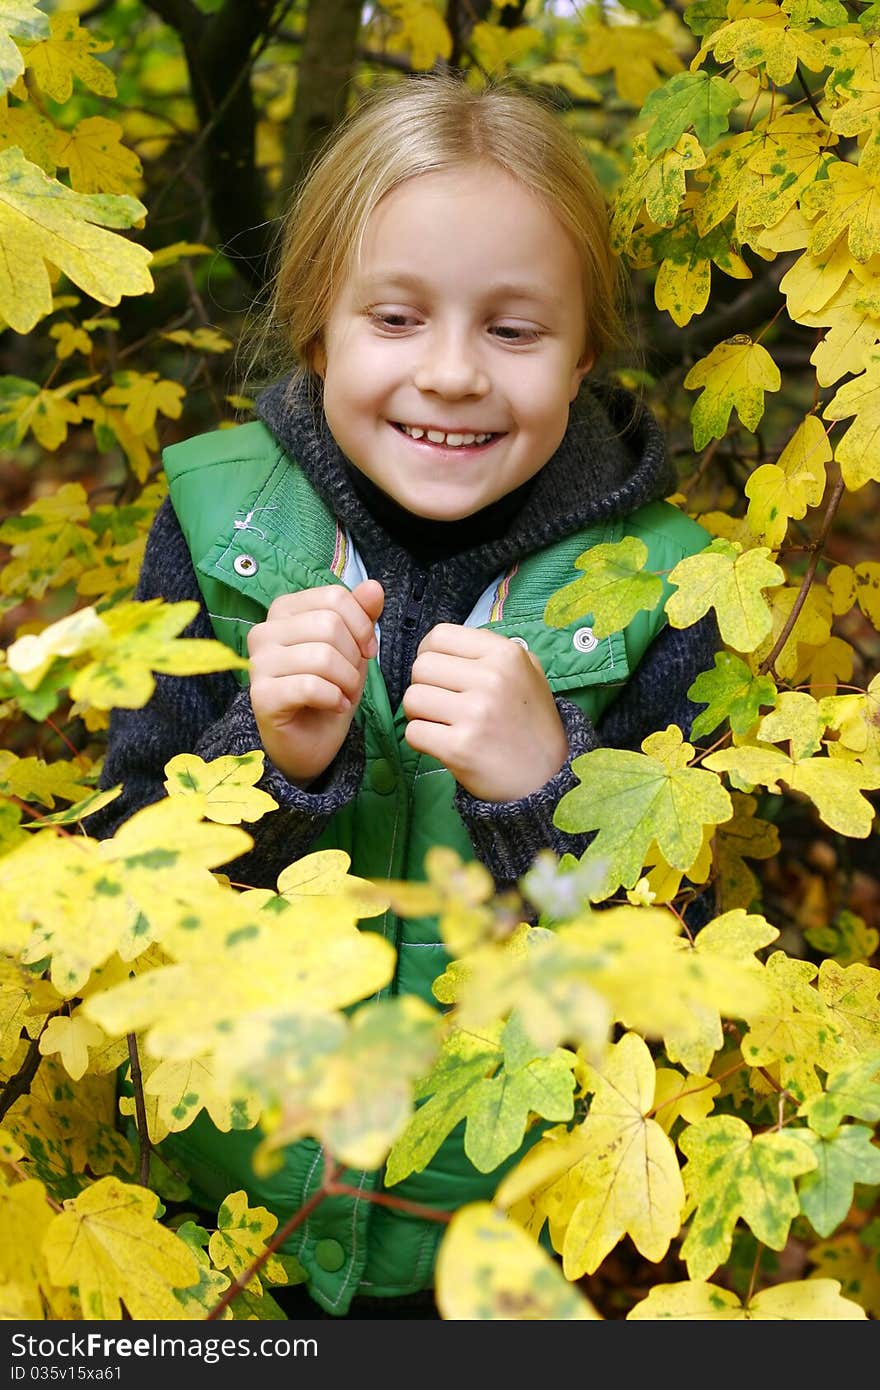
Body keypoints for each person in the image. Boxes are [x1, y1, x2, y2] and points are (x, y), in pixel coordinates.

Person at [90, 73, 718, 1318]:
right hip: (216, 1219)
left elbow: (664, 980)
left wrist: (547, 795)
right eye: (395, 317)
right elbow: (115, 889)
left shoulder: (662, 588)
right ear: (320, 322)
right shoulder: (222, 528)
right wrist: (268, 767)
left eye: (513, 329)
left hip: (479, 1244)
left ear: (584, 345)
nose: (450, 374)